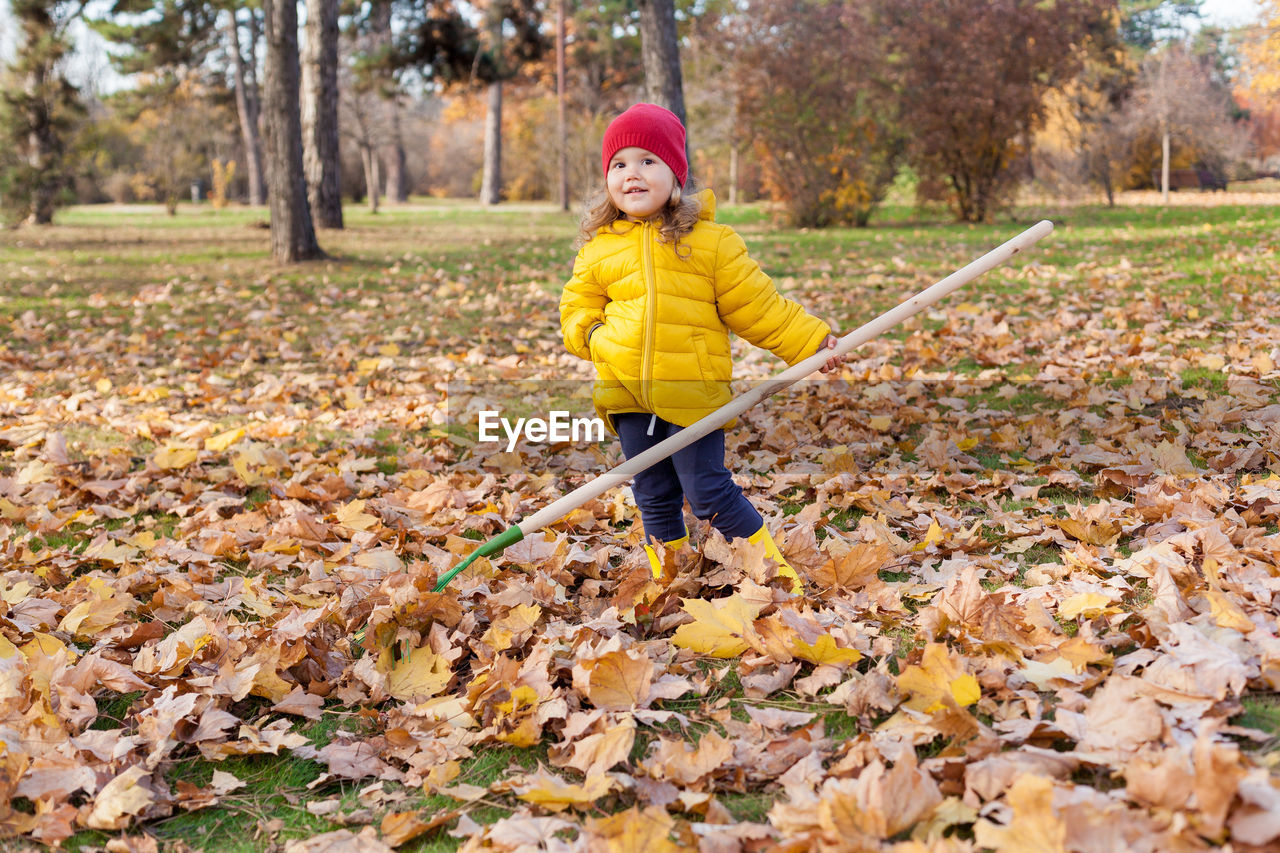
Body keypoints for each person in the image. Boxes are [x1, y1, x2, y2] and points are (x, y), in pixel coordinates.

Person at [559, 103, 843, 592]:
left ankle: (774, 576)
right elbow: (575, 307)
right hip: (628, 393)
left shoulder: (710, 243)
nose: (633, 174)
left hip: (693, 392)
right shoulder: (599, 248)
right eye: (620, 164)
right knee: (652, 492)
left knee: (707, 491)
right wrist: (590, 336)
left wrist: (809, 341)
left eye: (648, 161)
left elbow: (759, 306)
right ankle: (669, 577)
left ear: (675, 174)